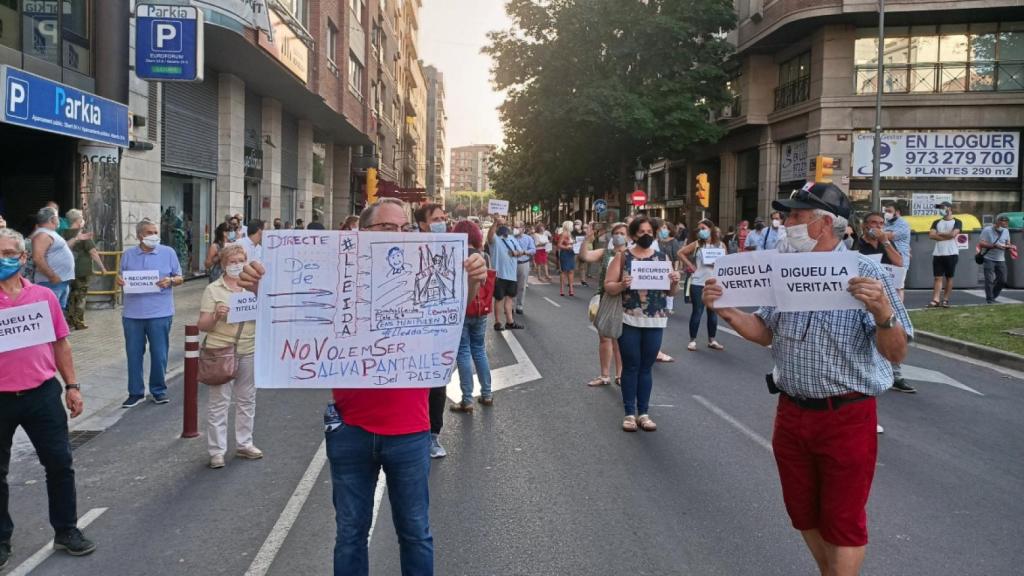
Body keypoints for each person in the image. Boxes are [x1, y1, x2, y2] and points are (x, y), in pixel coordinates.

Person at [238, 197, 488, 576]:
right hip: (350, 429)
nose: (398, 236)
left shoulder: (423, 270)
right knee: (350, 534)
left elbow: (449, 318)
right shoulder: (340, 274)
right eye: (387, 228)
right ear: (361, 232)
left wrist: (469, 280)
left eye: (404, 229)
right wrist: (260, 287)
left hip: (411, 431)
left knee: (416, 534)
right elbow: (298, 316)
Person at [703, 182, 912, 576]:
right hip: (793, 413)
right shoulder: (785, 272)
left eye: (796, 217)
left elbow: (896, 352)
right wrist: (727, 312)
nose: (787, 224)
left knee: (844, 519)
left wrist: (883, 312)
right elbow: (765, 331)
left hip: (846, 414)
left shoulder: (865, 272)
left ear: (822, 225)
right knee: (802, 512)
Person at [0, 228, 96, 569]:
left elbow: (61, 344)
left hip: (42, 394)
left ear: (24, 258)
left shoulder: (44, 297)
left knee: (59, 463)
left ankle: (67, 530)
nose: (4, 259)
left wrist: (72, 386)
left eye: (11, 252)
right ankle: (1, 539)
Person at [603, 216, 680, 432]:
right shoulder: (623, 257)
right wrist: (621, 284)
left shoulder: (662, 257)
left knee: (646, 367)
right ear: (633, 235)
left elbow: (670, 292)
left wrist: (674, 281)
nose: (646, 235)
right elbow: (608, 286)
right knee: (631, 365)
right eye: (641, 232)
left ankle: (644, 413)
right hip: (629, 319)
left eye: (649, 231)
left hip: (655, 320)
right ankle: (629, 413)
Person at [197, 244, 261, 469]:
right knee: (219, 402)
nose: (237, 265)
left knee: (247, 399)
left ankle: (245, 443)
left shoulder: (254, 288)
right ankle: (217, 451)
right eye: (232, 262)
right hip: (220, 351)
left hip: (248, 349)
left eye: (241, 260)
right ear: (224, 265)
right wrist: (216, 315)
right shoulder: (214, 289)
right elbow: (202, 325)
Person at [117, 219, 183, 408]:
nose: (154, 235)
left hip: (160, 312)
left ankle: (158, 390)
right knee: (133, 354)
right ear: (139, 236)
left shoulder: (168, 252)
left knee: (159, 353)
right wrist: (119, 281)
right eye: (149, 232)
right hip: (132, 314)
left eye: (156, 231)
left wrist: (170, 280)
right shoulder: (128, 255)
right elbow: (121, 276)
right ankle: (135, 392)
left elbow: (180, 277)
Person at [859, 211, 914, 397]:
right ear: (864, 226)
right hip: (865, 298)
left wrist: (885, 241)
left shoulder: (886, 244)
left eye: (881, 223)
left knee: (893, 329)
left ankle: (896, 374)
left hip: (887, 297)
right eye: (873, 223)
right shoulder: (855, 245)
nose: (877, 226)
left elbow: (899, 262)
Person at [413, 203, 452, 458]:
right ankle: (413, 432)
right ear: (423, 224)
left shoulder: (451, 246)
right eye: (437, 218)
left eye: (444, 218)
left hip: (440, 330)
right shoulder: (411, 248)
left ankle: (432, 436)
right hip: (413, 329)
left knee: (437, 386)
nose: (443, 221)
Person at [450, 220, 493, 412]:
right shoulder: (483, 255)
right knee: (479, 349)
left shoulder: (454, 254)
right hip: (480, 310)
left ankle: (467, 400)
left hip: (462, 310)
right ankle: (487, 393)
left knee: (463, 352)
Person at [578, 222, 626, 387]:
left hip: (623, 300)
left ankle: (620, 375)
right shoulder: (605, 253)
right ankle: (605, 375)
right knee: (604, 337)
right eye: (616, 232)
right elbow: (585, 256)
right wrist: (587, 240)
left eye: (622, 233)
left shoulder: (632, 255)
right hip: (604, 298)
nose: (619, 235)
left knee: (620, 339)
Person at [677, 219, 726, 352]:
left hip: (714, 282)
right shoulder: (697, 244)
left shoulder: (720, 245)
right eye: (699, 229)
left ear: (711, 229)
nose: (701, 231)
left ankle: (712, 340)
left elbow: (726, 263)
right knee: (697, 311)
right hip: (698, 282)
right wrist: (690, 265)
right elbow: (680, 253)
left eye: (703, 228)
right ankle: (692, 340)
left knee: (713, 313)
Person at [62, 210, 107, 330]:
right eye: (82, 217)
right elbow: (93, 252)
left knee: (71, 295)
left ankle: (69, 320)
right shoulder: (83, 234)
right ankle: (79, 321)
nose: (83, 219)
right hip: (82, 270)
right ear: (78, 220)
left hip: (68, 270)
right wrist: (102, 267)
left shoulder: (63, 233)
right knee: (81, 296)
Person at [30, 207, 76, 310]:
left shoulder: (49, 233)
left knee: (58, 313)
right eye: (57, 217)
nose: (59, 219)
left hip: (59, 282)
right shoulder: (43, 235)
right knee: (51, 313)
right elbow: (38, 258)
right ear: (52, 219)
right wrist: (52, 276)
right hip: (50, 282)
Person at [487, 216, 525, 331]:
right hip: (499, 275)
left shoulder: (512, 239)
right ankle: (497, 322)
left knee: (509, 298)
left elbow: (521, 251)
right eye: (500, 226)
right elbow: (490, 235)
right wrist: (495, 222)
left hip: (511, 275)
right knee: (499, 299)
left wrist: (516, 253)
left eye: (504, 225)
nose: (503, 227)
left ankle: (510, 322)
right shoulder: (494, 239)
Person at [928, 201, 962, 308]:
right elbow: (931, 235)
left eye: (943, 207)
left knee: (949, 278)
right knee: (937, 277)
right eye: (940, 208)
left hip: (951, 253)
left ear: (949, 208)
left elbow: (953, 234)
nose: (941, 210)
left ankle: (946, 299)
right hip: (938, 253)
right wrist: (946, 236)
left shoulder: (957, 221)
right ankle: (935, 299)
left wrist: (939, 234)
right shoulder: (936, 222)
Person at [979, 214, 1012, 305]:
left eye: (1006, 221)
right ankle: (990, 299)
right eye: (1003, 221)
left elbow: (1008, 243)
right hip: (988, 258)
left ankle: (993, 295)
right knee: (989, 279)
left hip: (1001, 259)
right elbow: (981, 243)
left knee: (1002, 280)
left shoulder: (1006, 231)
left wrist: (1009, 246)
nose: (1006, 223)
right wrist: (993, 246)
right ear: (998, 222)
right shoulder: (987, 230)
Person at [882, 201, 911, 300]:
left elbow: (888, 236)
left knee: (898, 287)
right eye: (885, 211)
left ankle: (899, 312)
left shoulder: (902, 223)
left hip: (900, 259)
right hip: (887, 258)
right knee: (886, 287)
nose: (887, 213)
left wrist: (877, 233)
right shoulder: (885, 223)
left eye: (889, 211)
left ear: (897, 212)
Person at [513, 224, 536, 314]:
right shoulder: (511, 237)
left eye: (517, 227)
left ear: (523, 229)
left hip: (523, 263)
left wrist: (525, 252)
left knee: (521, 286)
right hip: (512, 264)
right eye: (515, 227)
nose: (516, 229)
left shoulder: (528, 238)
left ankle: (519, 305)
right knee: (511, 285)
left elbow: (533, 250)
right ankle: (510, 305)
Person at [556, 220, 577, 296]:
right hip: (565, 253)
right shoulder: (564, 234)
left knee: (571, 271)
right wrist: (566, 247)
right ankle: (562, 289)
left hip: (571, 253)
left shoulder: (572, 234)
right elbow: (559, 245)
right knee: (564, 271)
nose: (574, 226)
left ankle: (571, 289)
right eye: (572, 225)